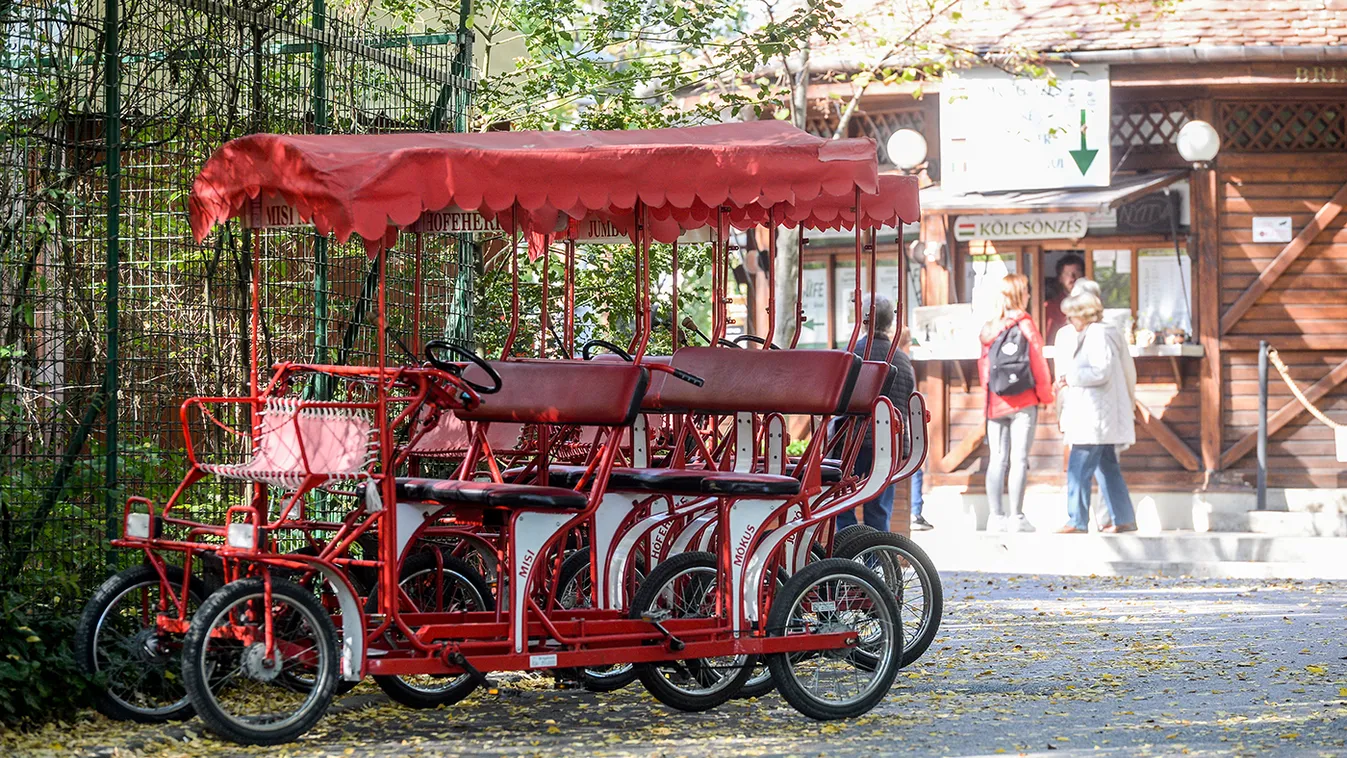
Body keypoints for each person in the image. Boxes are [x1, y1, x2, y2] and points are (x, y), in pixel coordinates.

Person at [1053, 283, 1138, 534]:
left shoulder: (1098, 334)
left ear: (1085, 314)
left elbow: (1101, 371)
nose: (1069, 319)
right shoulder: (1099, 332)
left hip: (1093, 416)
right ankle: (1124, 518)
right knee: (1108, 468)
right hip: (1099, 415)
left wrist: (1070, 376)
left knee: (1079, 469)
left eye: (1072, 314)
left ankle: (1077, 520)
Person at [835, 294, 919, 533]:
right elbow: (904, 400)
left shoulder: (852, 353)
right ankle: (876, 562)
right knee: (879, 508)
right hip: (887, 442)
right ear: (889, 323)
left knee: (842, 503)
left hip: (851, 440)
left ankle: (848, 555)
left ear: (862, 321)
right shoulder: (902, 360)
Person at [978, 273, 1053, 533]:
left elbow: (984, 370)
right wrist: (1046, 397)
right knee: (1019, 459)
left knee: (997, 458)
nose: (1031, 296)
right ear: (1020, 295)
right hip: (1023, 402)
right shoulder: (1025, 324)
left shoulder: (989, 328)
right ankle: (1017, 517)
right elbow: (1039, 365)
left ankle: (995, 517)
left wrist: (991, 394)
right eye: (1027, 291)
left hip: (995, 402)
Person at [1043, 253, 1085, 346]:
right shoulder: (1050, 307)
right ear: (1060, 278)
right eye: (1067, 274)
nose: (1072, 278)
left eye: (1076, 273)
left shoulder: (1091, 304)